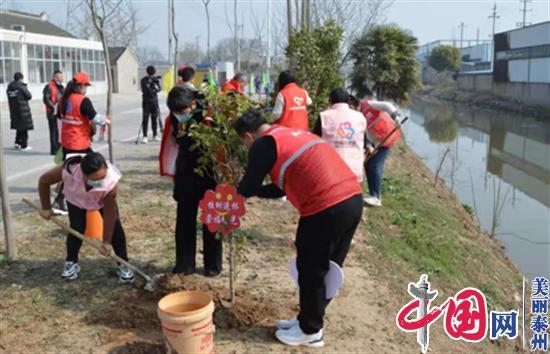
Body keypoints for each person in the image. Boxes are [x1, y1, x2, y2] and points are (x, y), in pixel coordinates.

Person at [234, 109, 363, 348]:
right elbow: (280, 188)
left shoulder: (263, 145)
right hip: (351, 200)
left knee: (311, 269)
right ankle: (308, 319)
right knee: (326, 267)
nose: (246, 148)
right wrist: (256, 191)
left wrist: (236, 188)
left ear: (248, 137)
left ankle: (311, 331)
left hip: (326, 207)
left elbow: (248, 186)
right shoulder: (287, 134)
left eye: (243, 143)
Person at [37, 152, 134, 283]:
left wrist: (106, 241)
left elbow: (109, 214)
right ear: (84, 175)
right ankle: (71, 262)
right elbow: (44, 181)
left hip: (100, 200)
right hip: (76, 199)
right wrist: (46, 208)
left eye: (102, 177)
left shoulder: (111, 181)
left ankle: (123, 263)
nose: (101, 181)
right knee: (76, 228)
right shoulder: (70, 169)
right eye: (95, 179)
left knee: (116, 228)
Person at [164, 86, 222, 276]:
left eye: (182, 112)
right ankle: (184, 264)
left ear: (193, 104)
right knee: (184, 221)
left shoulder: (210, 116)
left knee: (212, 219)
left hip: (209, 174)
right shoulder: (174, 118)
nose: (178, 115)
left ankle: (212, 266)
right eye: (175, 112)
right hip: (186, 174)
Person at [313, 88, 366, 182]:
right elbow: (363, 141)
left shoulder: (324, 116)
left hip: (330, 171)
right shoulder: (360, 117)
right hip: (355, 170)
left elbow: (314, 141)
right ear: (348, 101)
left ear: (330, 101)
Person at [359, 97, 402, 207]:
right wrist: (368, 145)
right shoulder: (356, 117)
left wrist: (396, 117)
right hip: (374, 143)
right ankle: (373, 194)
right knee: (368, 165)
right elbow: (363, 134)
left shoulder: (368, 105)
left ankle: (376, 197)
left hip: (387, 138)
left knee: (374, 166)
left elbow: (386, 105)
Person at [59, 72, 107, 159]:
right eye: (86, 86)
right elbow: (95, 118)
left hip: (66, 142)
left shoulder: (63, 99)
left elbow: (59, 118)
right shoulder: (83, 100)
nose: (86, 89)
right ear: (82, 86)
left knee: (68, 168)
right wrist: (106, 120)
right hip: (79, 143)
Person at [7, 72, 33, 151]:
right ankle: (24, 145)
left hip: (14, 110)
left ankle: (17, 143)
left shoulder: (9, 87)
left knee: (19, 127)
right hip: (23, 110)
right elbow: (29, 96)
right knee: (24, 128)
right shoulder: (21, 87)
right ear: (21, 78)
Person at [43, 70, 65, 155]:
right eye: (60, 76)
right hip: (52, 113)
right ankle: (54, 149)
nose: (62, 78)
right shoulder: (49, 86)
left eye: (62, 77)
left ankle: (60, 148)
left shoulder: (61, 87)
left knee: (60, 131)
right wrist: (53, 107)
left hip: (61, 112)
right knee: (54, 131)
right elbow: (46, 99)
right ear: (55, 77)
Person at [140, 65, 162, 143]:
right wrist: (149, 85)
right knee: (145, 119)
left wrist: (154, 85)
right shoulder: (144, 80)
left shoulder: (155, 80)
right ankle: (145, 136)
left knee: (154, 119)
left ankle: (155, 135)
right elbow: (144, 90)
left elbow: (159, 89)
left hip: (154, 102)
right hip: (146, 102)